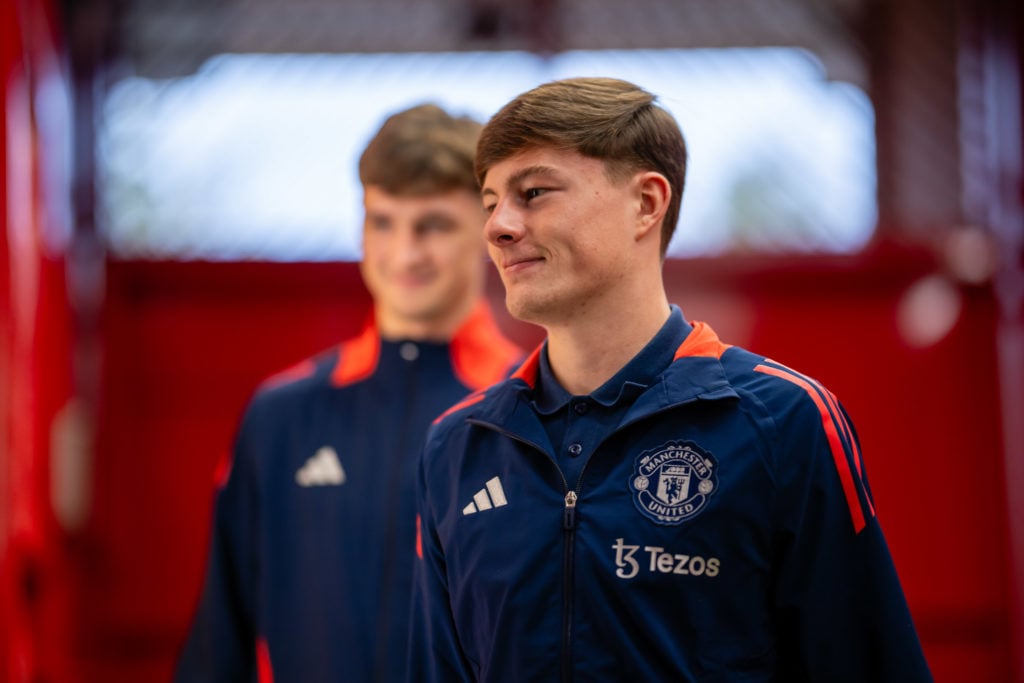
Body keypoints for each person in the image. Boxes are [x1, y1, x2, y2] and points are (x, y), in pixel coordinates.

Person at [409, 77, 933, 682]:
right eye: (490, 202)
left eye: (533, 192)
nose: (498, 227)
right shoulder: (458, 445)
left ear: (647, 203)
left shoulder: (781, 420)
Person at [175, 103, 523, 682]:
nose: (404, 253)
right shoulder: (282, 414)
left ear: (489, 232)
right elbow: (220, 636)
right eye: (383, 222)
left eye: (433, 225)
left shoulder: (533, 409)